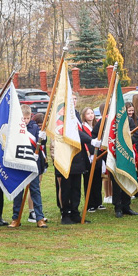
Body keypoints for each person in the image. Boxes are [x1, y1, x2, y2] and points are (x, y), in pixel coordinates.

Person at [56, 94, 96, 224]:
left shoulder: (76, 115)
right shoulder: (63, 117)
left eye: (74, 99)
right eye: (71, 99)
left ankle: (75, 212)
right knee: (66, 187)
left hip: (78, 156)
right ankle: (66, 213)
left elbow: (80, 131)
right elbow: (74, 133)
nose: (73, 101)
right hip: (67, 155)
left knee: (76, 187)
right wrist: (91, 140)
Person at [10, 104, 47, 228]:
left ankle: (39, 218)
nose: (25, 121)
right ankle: (16, 218)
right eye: (23, 119)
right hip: (20, 164)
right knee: (18, 192)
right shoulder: (15, 128)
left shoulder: (35, 127)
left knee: (35, 190)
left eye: (27, 118)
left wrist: (43, 138)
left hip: (32, 164)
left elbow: (40, 143)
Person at [79, 106, 103, 212]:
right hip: (88, 156)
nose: (91, 115)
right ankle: (90, 204)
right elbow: (84, 141)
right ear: (84, 116)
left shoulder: (97, 126)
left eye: (92, 113)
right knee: (89, 180)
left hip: (98, 155)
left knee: (98, 179)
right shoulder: (82, 127)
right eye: (88, 113)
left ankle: (98, 202)